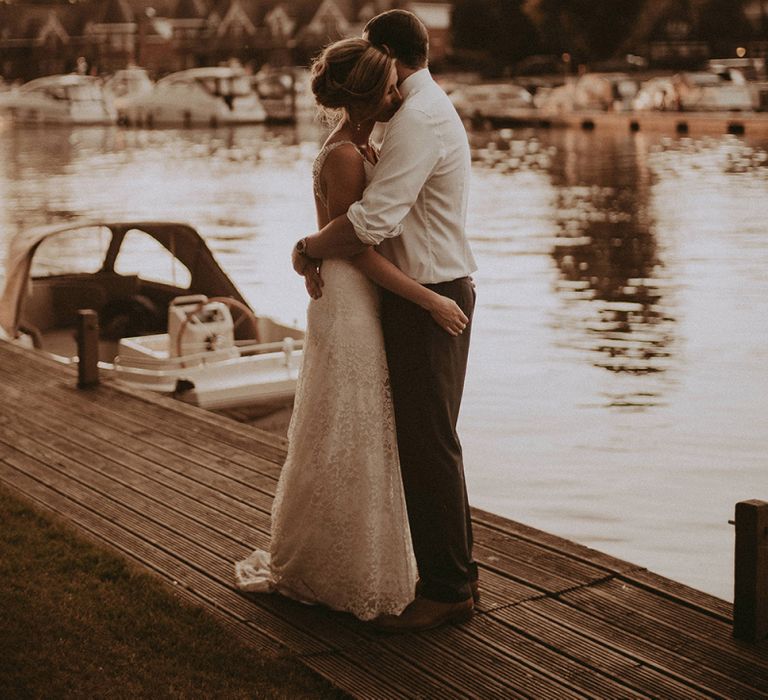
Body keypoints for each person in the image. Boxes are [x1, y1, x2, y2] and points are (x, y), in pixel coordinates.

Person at [234, 37, 468, 622]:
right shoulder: (350, 151)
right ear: (366, 95)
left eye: (393, 80)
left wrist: (305, 247)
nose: (395, 90)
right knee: (369, 433)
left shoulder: (393, 128)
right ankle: (421, 578)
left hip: (386, 295)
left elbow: (360, 233)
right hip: (368, 297)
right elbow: (359, 240)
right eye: (386, 84)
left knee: (400, 438)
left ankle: (443, 580)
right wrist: (426, 299)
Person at [291, 10, 479, 632]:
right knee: (423, 442)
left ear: (389, 59)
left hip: (429, 292)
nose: (381, 80)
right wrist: (313, 245)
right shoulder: (407, 116)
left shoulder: (418, 119)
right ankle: (451, 579)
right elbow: (365, 220)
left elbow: (372, 223)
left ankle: (449, 586)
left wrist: (308, 248)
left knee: (429, 444)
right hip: (406, 291)